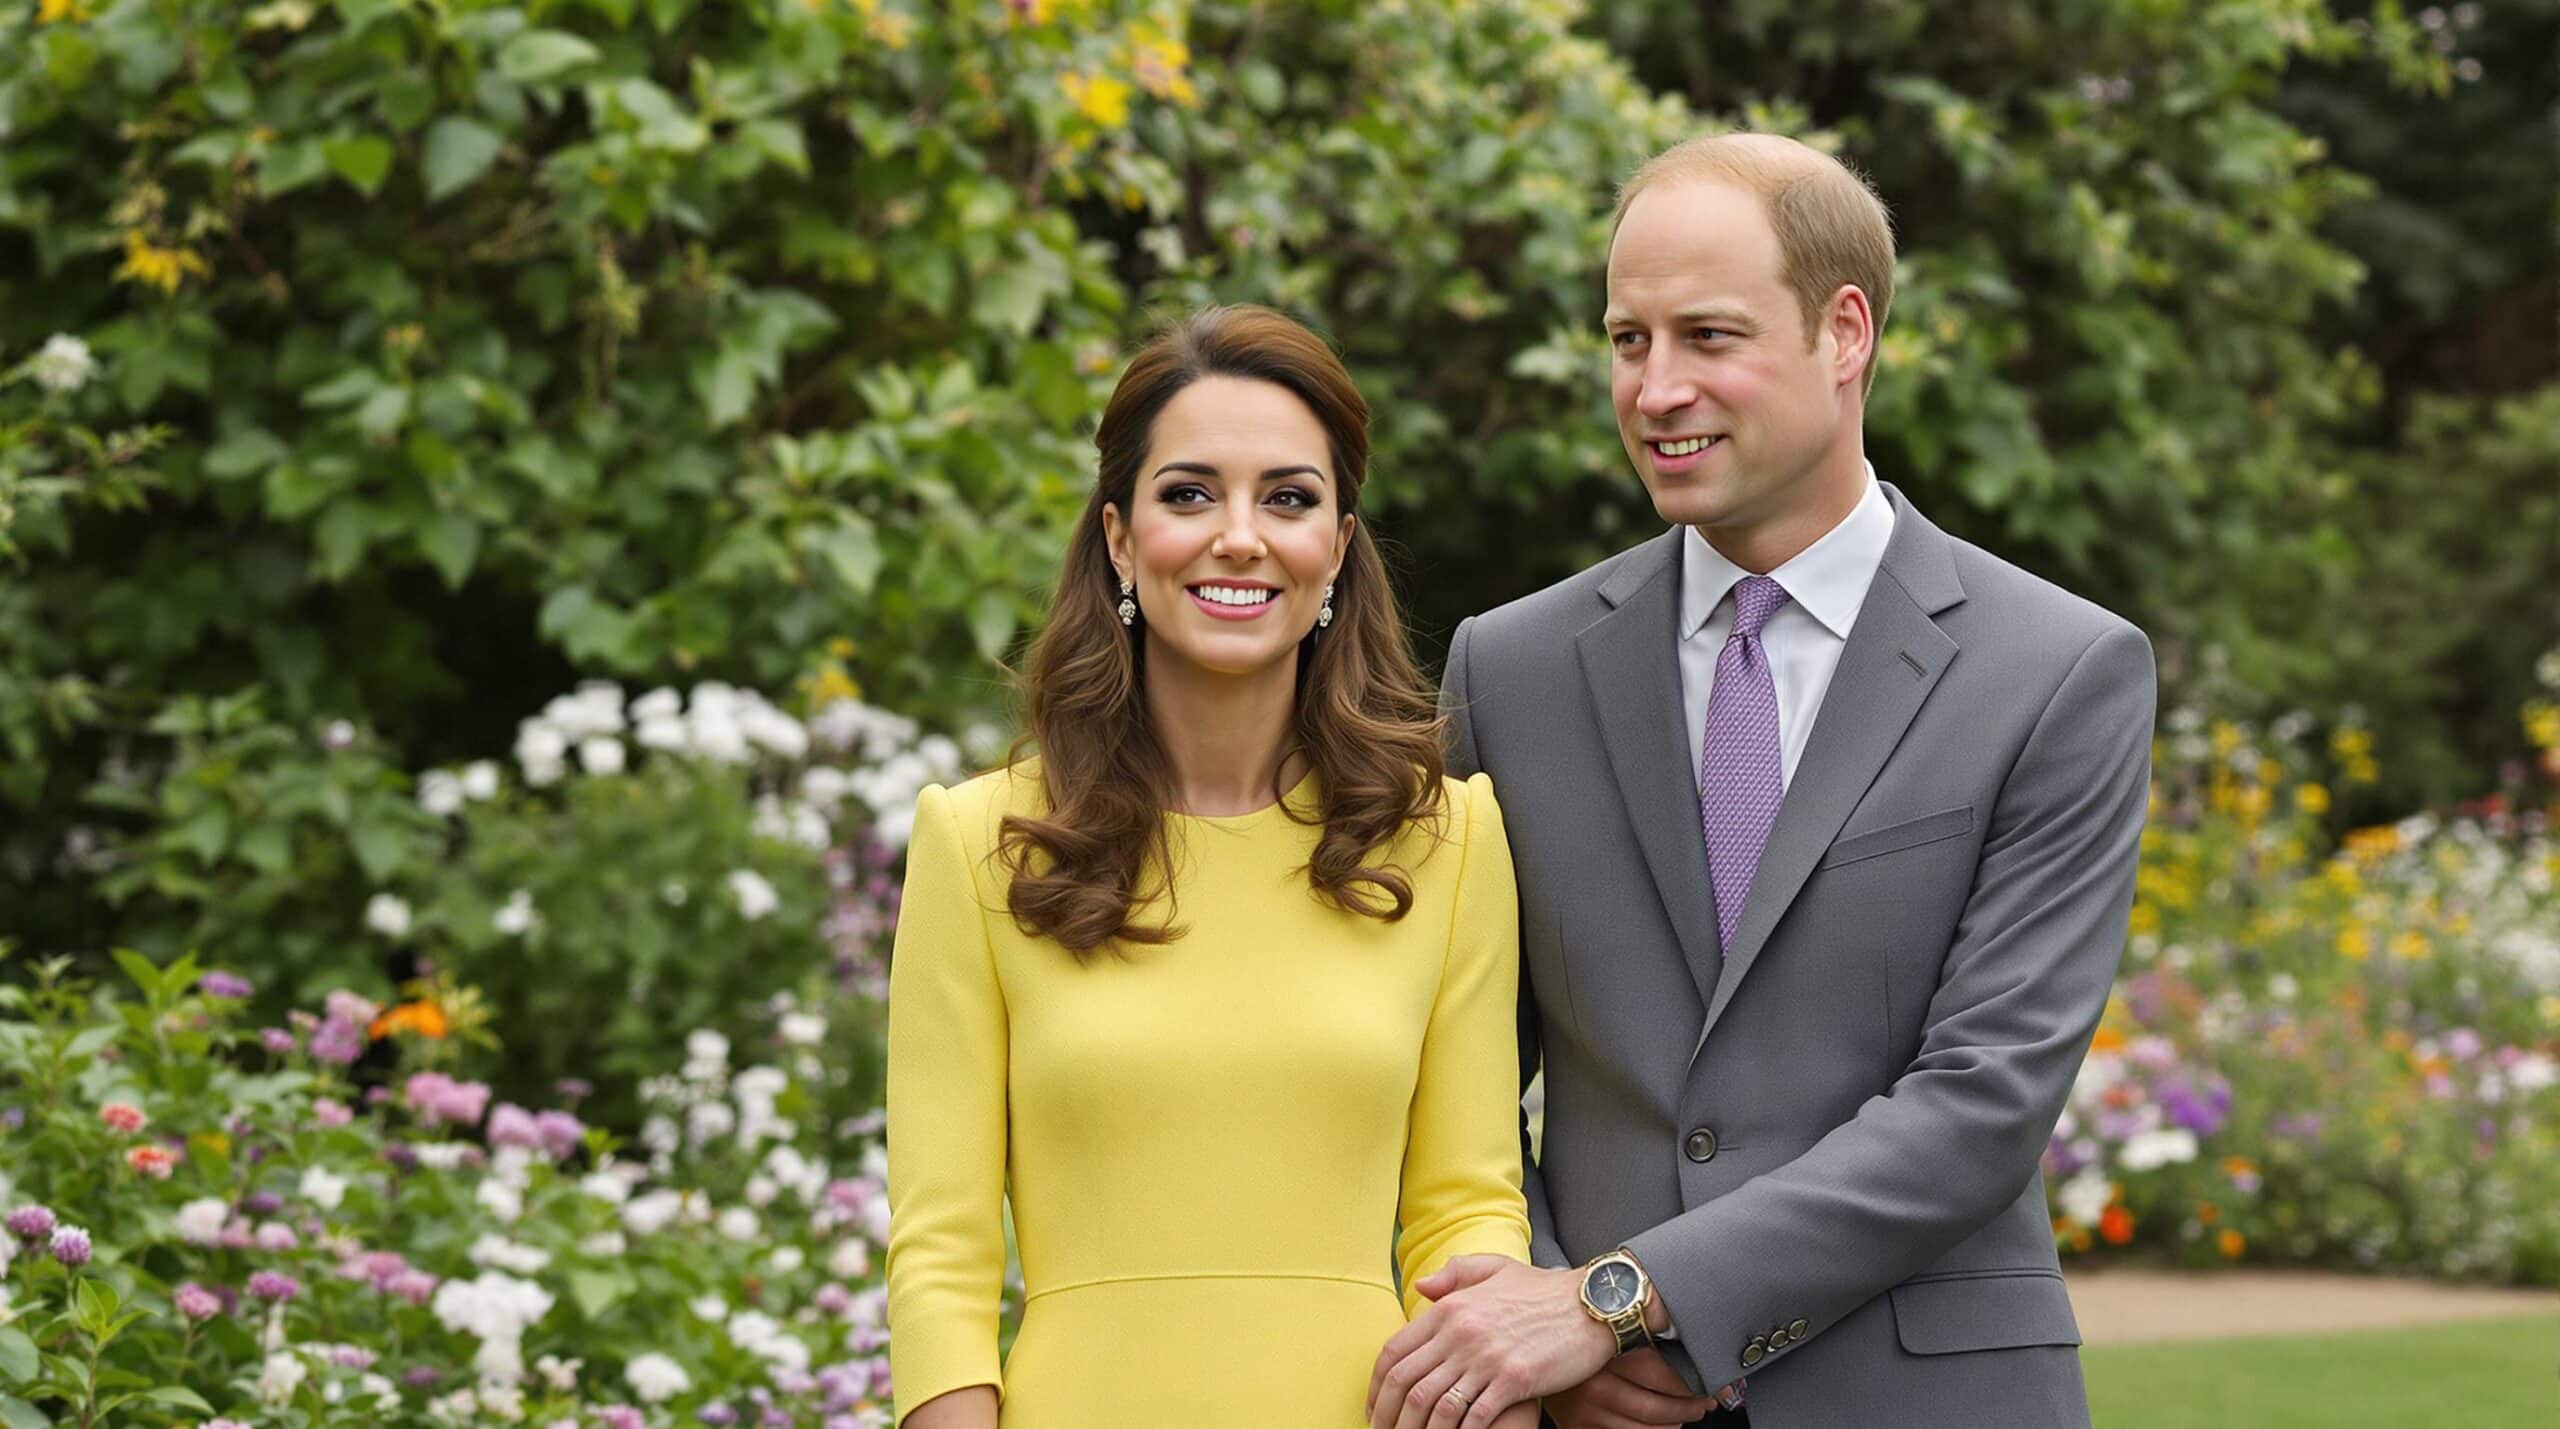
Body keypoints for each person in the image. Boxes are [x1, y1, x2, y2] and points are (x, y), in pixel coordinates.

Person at [1366, 133, 2155, 1429]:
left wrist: (1621, 1297)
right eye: (1628, 340)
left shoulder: (2057, 671)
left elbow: (1985, 1099)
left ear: (1844, 333)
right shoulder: (1508, 669)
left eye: (1707, 337)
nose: (1655, 388)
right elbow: (1448, 1069)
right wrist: (1532, 1300)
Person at [885, 305, 1537, 1428]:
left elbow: (1465, 1211)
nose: (1239, 537)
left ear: (1338, 545)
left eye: (1288, 498)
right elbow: (939, 1255)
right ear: (1118, 537)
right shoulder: (978, 842)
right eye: (1189, 494)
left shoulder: (1450, 839)